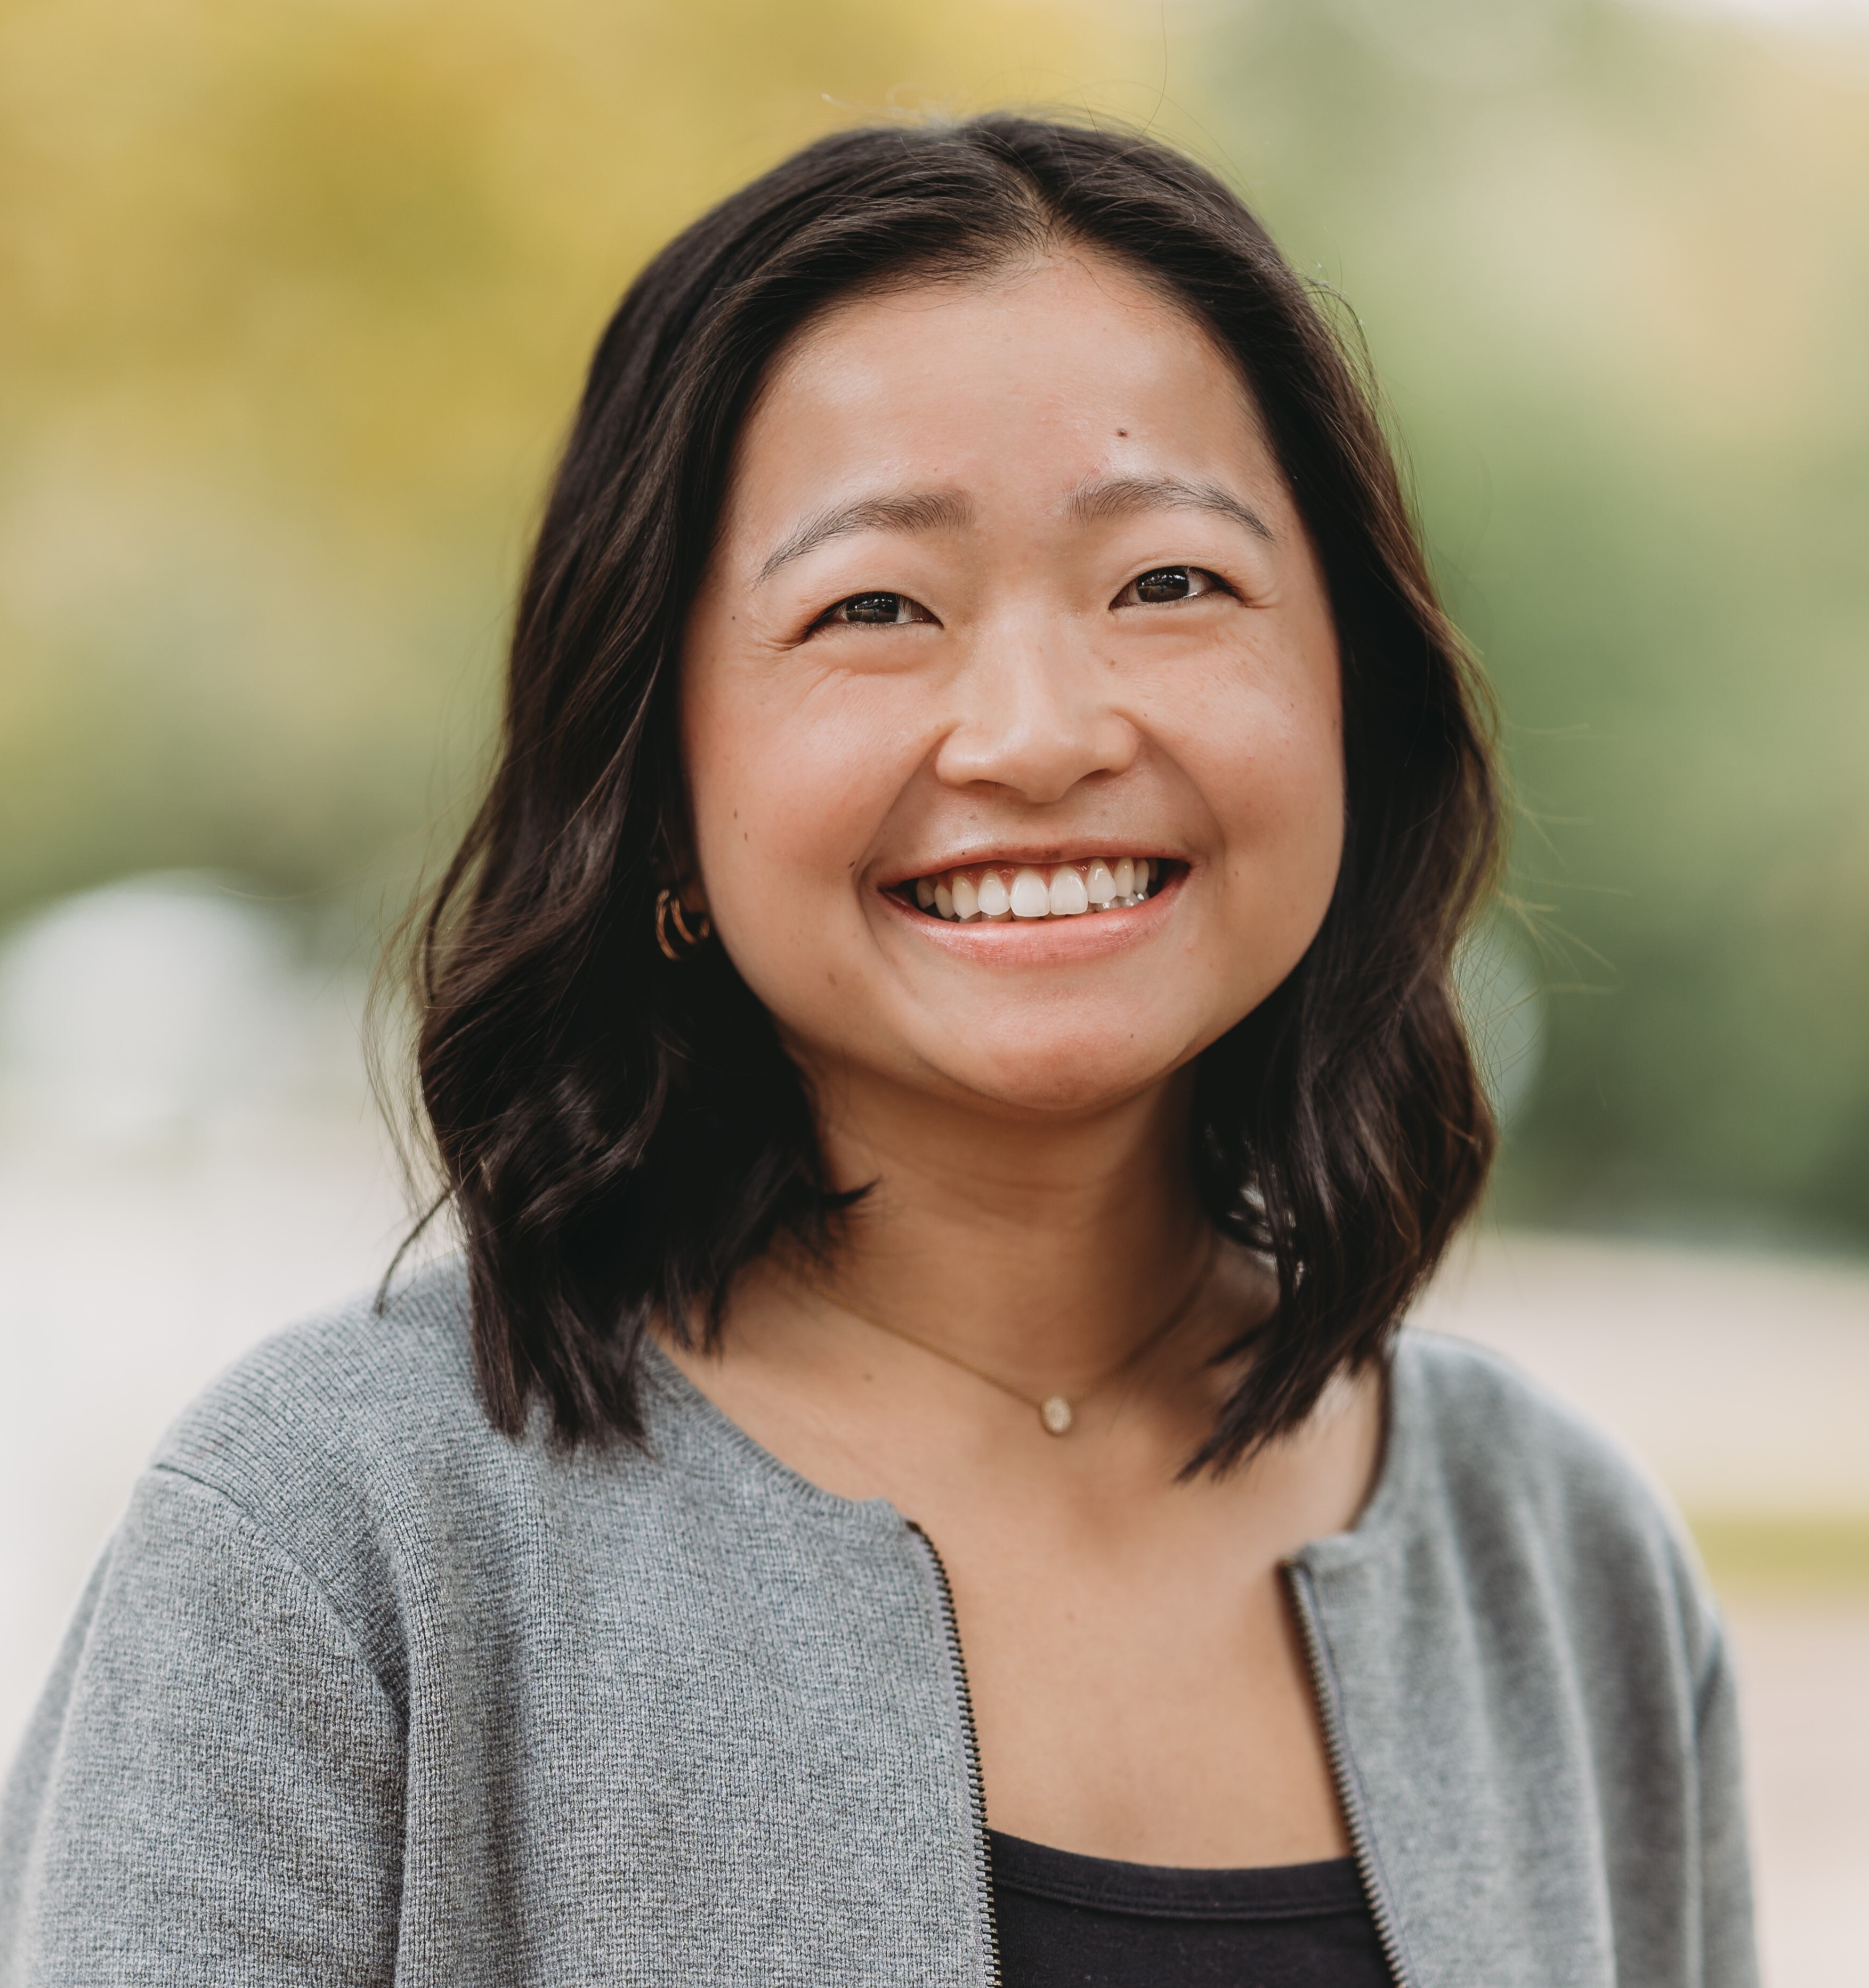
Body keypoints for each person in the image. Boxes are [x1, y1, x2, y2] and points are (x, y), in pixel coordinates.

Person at [0, 116, 1754, 1988]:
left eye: (1167, 582)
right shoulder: (330, 1539)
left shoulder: (1564, 1567)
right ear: (659, 783)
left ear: (1354, 701)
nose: (1034, 730)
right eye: (872, 610)